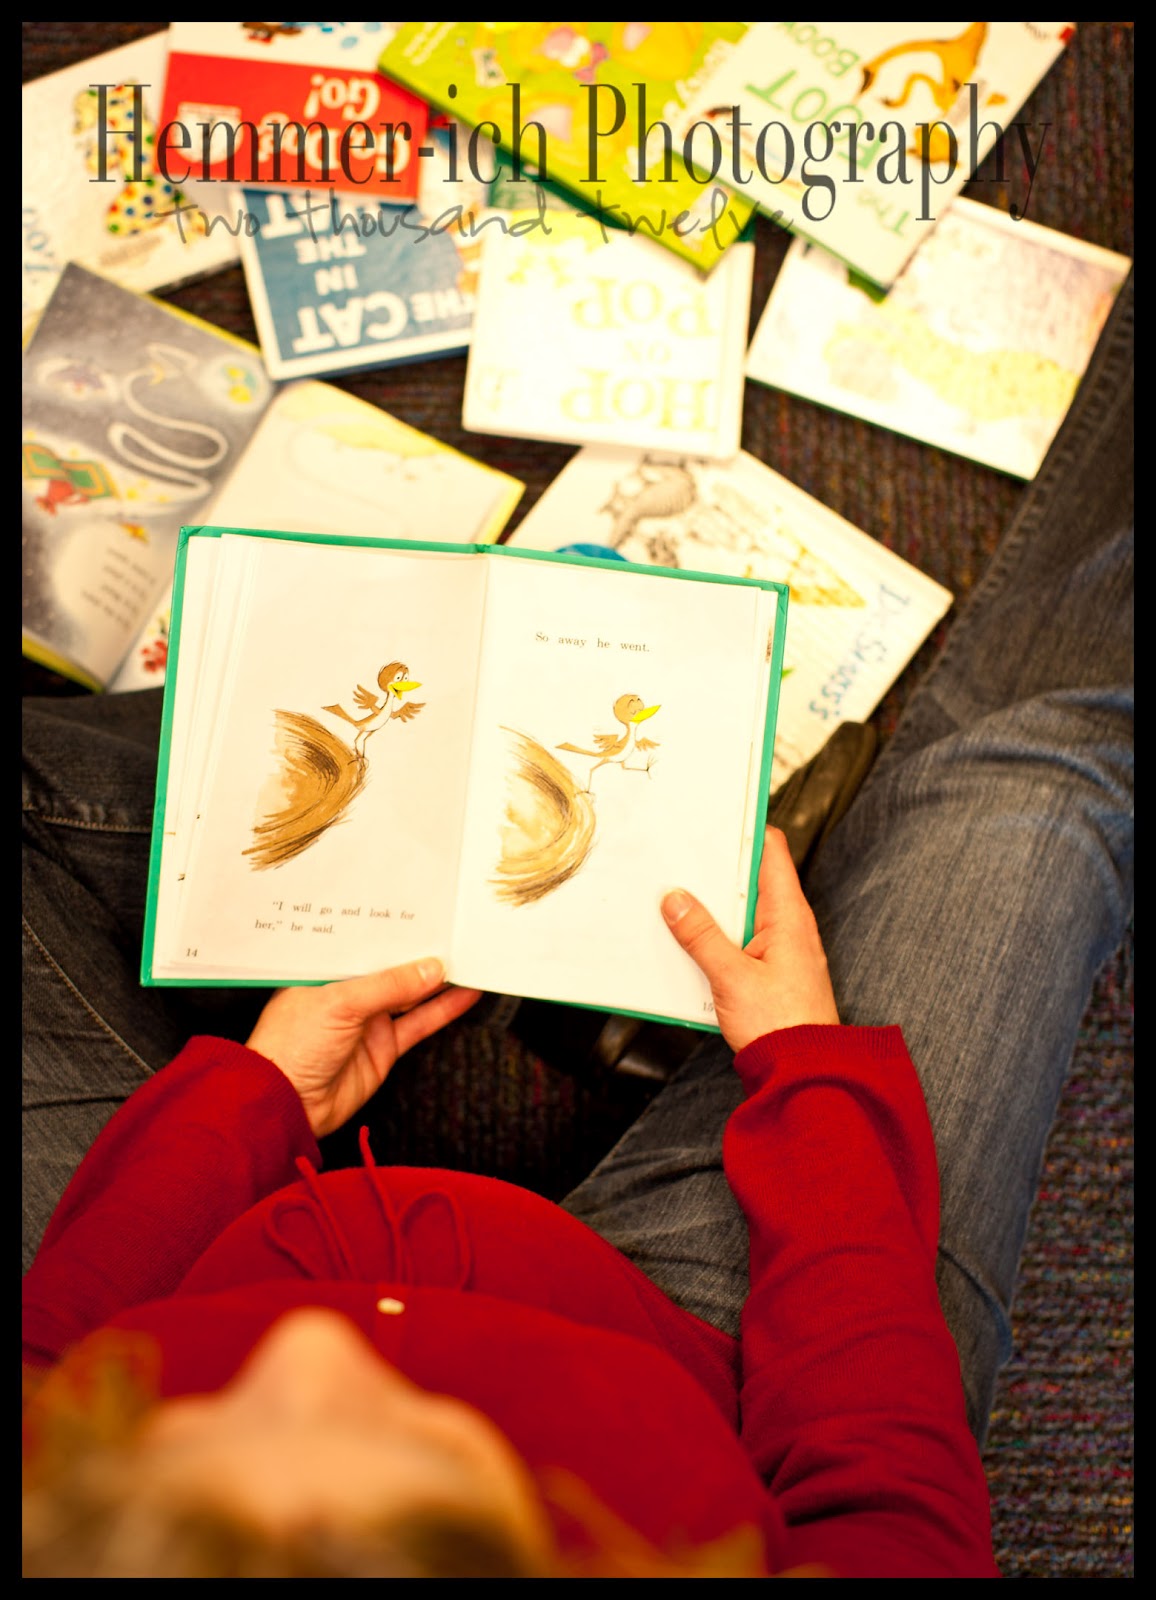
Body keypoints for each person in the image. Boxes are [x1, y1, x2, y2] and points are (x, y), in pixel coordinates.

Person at [22, 271, 1132, 1578]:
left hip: (199, 1247)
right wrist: (809, 1082)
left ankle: (514, 898)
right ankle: (651, 913)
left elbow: (48, 1364)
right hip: (701, 1364)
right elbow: (883, 1479)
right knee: (1030, 783)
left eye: (203, 1420)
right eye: (398, 1434)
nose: (313, 1336)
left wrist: (252, 1100)